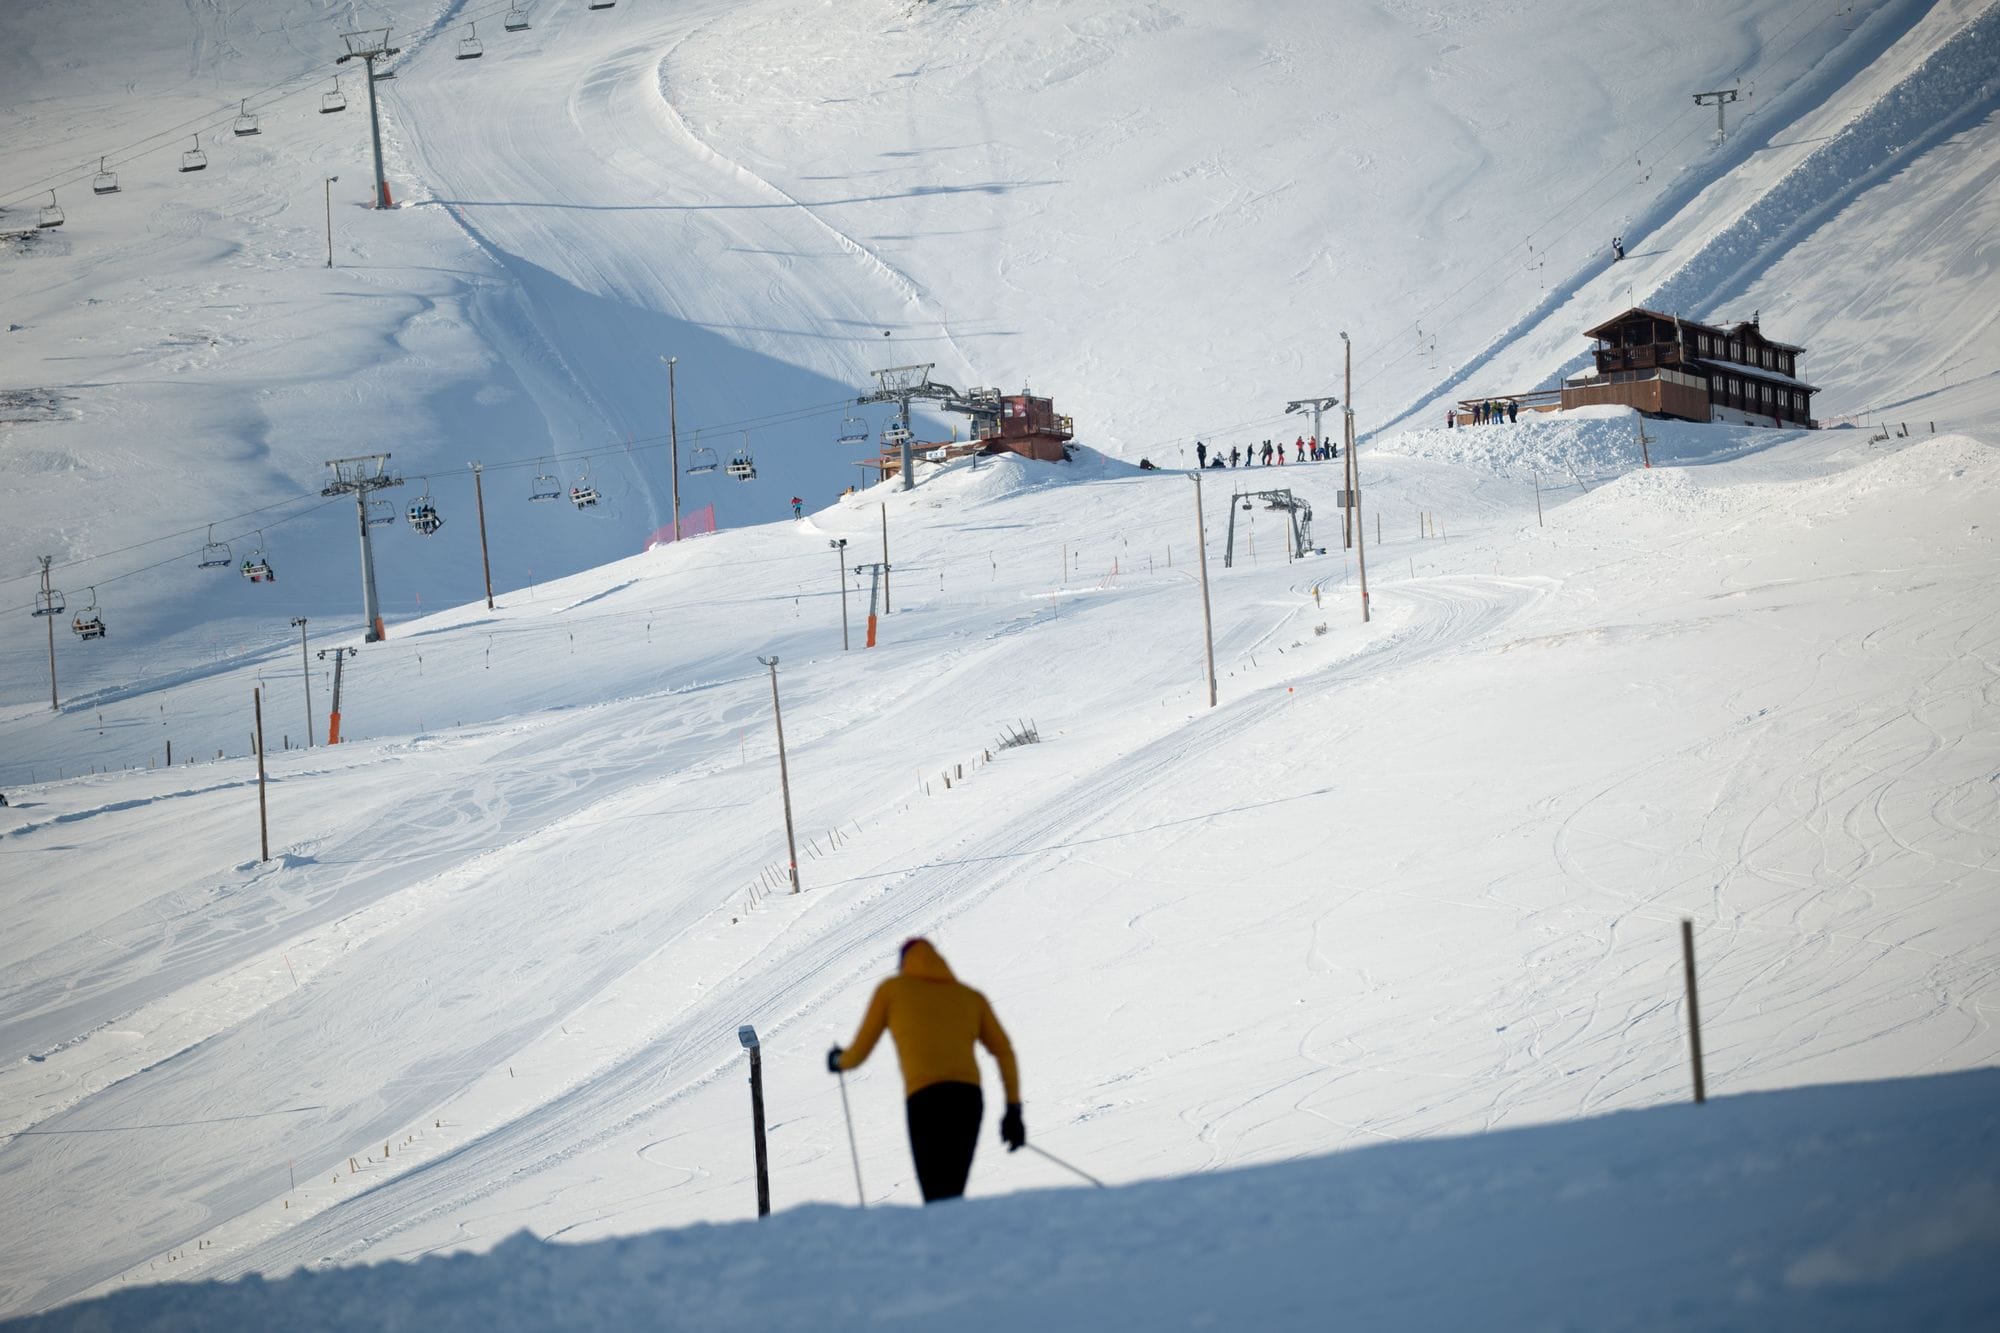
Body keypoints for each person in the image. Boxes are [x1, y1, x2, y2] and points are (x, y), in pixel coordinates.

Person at [829, 938, 1023, 1203]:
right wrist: (1013, 1109)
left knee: (936, 1198)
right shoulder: (970, 997)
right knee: (953, 1194)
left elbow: (860, 1051)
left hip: (925, 1101)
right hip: (967, 1101)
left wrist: (839, 1061)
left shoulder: (893, 989)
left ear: (904, 964)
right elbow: (1004, 1051)